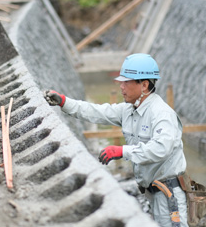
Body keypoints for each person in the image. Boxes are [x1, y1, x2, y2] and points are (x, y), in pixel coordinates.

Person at [44, 53, 188, 227]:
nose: (121, 86)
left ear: (144, 85)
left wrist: (122, 151)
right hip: (153, 193)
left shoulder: (161, 114)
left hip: (168, 195)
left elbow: (160, 148)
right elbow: (96, 111)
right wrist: (64, 102)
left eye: (126, 82)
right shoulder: (129, 110)